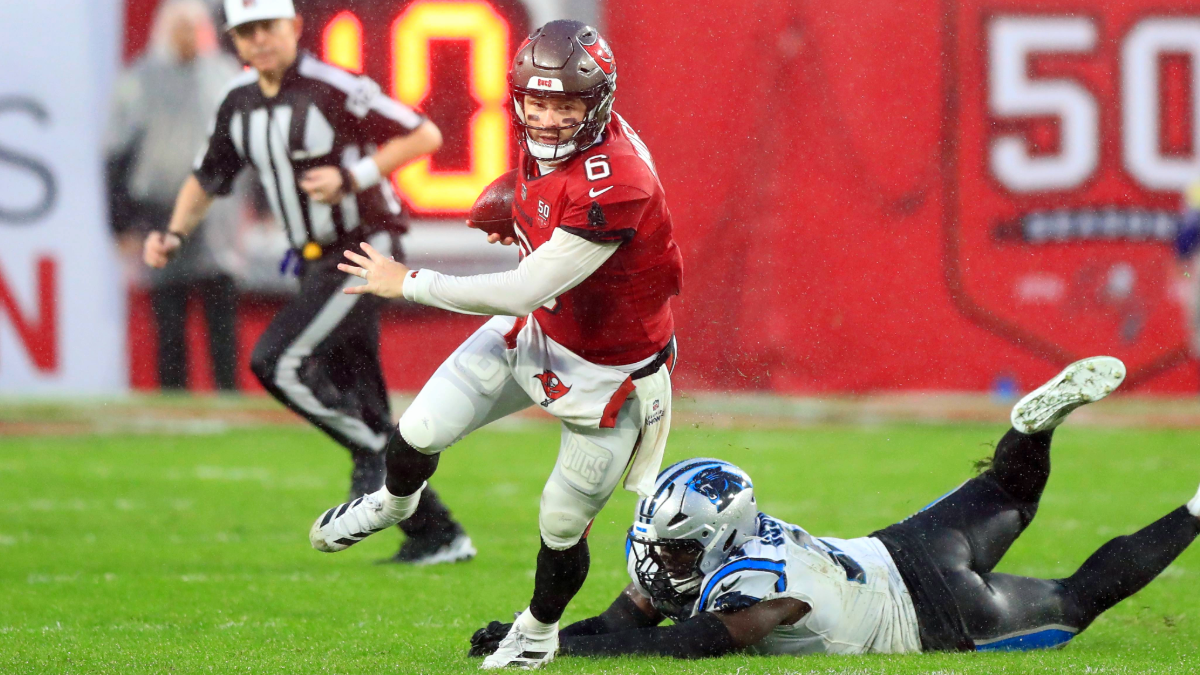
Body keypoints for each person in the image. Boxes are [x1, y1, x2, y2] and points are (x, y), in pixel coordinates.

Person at [308, 20, 684, 669]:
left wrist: (409, 282)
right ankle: (394, 502)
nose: (546, 117)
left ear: (597, 103)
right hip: (542, 329)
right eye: (536, 101)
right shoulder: (547, 139)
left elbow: (524, 288)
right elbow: (542, 270)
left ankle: (538, 632)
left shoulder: (617, 180)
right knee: (418, 430)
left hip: (608, 375)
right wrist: (523, 217)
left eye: (565, 104)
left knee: (560, 522)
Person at [471, 356, 1200, 658]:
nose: (660, 561)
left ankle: (1195, 507)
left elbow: (689, 643)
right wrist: (538, 639)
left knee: (1073, 603)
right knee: (1011, 488)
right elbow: (622, 622)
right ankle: (1030, 429)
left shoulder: (747, 585)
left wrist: (580, 646)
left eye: (678, 548)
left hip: (937, 612)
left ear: (719, 540)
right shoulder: (718, 545)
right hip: (906, 547)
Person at [143, 0, 473, 565]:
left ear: (294, 27)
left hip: (366, 247)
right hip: (314, 260)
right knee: (365, 402)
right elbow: (208, 176)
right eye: (245, 32)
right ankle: (438, 533)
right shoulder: (238, 101)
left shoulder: (331, 86)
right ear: (232, 40)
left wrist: (353, 175)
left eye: (267, 27)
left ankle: (373, 457)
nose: (258, 41)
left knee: (278, 361)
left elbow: (425, 135)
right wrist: (173, 233)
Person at [107, 0, 241, 392]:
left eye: (192, 27)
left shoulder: (225, 76)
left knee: (221, 314)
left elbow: (251, 143)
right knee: (169, 316)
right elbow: (115, 155)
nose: (186, 36)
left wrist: (263, 205)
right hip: (159, 208)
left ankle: (228, 395)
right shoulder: (139, 80)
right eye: (179, 27)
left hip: (217, 212)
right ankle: (173, 399)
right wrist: (120, 222)